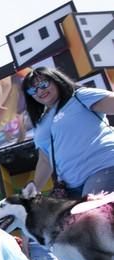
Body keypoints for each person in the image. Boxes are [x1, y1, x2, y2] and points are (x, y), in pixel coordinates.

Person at [21, 66, 114, 199]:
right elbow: (45, 161)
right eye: (33, 90)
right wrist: (32, 193)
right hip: (70, 187)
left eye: (43, 84)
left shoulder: (79, 97)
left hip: (104, 168)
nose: (39, 91)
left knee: (92, 216)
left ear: (56, 80)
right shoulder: (41, 124)